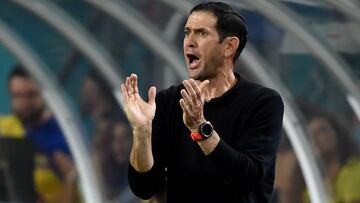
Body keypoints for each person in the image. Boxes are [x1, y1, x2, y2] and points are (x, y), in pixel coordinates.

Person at [121, 2, 284, 203]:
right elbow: (144, 187)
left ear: (229, 46)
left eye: (201, 33)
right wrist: (142, 131)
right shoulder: (169, 102)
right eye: (187, 32)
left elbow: (247, 177)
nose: (189, 41)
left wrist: (200, 128)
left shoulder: (263, 102)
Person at [0, 65, 79, 203]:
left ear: (45, 94)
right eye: (17, 96)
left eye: (31, 95)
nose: (24, 103)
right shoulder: (4, 126)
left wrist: (70, 178)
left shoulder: (67, 137)